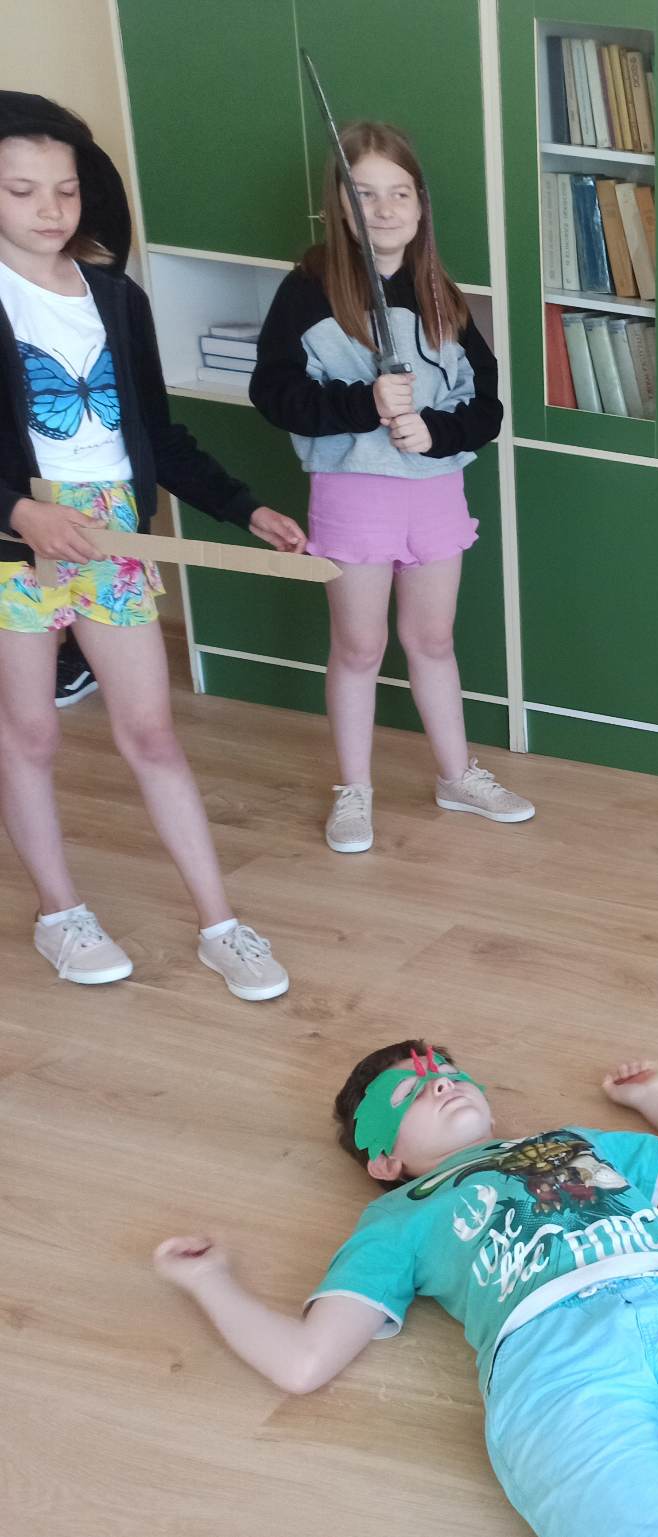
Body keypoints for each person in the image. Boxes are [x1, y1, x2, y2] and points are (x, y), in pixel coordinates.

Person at [154, 1041, 658, 1537]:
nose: (441, 1084)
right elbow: (305, 1362)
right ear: (384, 1160)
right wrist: (210, 1281)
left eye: (449, 1074)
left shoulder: (572, 1140)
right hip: (554, 1356)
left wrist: (654, 1097)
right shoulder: (398, 1216)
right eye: (411, 1093)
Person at [0, 92, 303, 1000]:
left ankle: (221, 923)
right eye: (21, 190)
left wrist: (244, 508)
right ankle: (60, 912)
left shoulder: (116, 299)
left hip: (111, 531)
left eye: (65, 190)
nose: (50, 209)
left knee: (151, 731)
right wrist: (18, 513)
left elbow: (159, 438)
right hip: (14, 541)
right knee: (29, 733)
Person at [250, 121, 530, 855]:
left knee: (432, 639)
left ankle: (456, 775)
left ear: (420, 203)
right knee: (360, 645)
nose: (383, 209)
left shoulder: (443, 295)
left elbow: (487, 406)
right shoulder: (307, 290)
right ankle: (354, 790)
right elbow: (274, 393)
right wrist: (362, 404)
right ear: (340, 206)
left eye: (399, 193)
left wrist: (436, 432)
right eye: (365, 194)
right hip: (354, 492)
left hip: (434, 492)